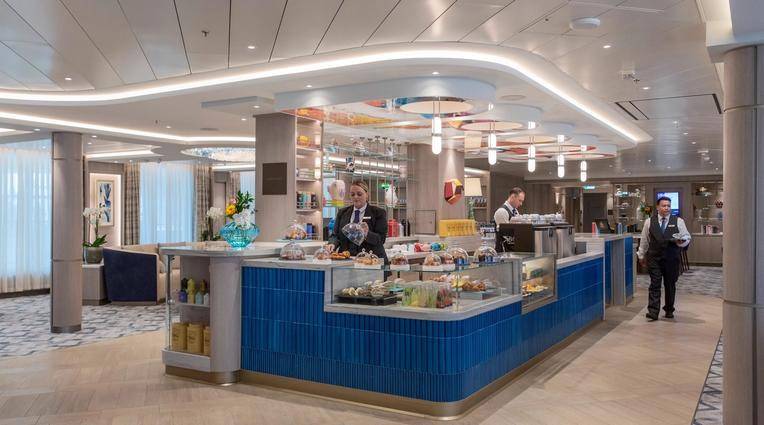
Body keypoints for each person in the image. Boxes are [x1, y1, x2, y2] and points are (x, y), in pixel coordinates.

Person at [637, 196, 691, 321]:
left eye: (668, 206)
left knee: (670, 285)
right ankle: (653, 311)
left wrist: (682, 242)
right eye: (664, 205)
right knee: (654, 284)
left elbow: (687, 237)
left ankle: (669, 309)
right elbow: (644, 240)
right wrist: (641, 255)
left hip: (671, 258)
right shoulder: (649, 222)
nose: (667, 208)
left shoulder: (678, 221)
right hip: (654, 258)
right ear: (657, 207)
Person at [325, 180, 388, 261]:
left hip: (371, 260)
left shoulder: (378, 213)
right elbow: (335, 235)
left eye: (359, 194)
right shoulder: (342, 212)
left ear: (367, 195)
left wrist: (367, 234)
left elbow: (381, 239)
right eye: (352, 194)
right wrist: (332, 244)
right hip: (347, 260)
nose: (355, 197)